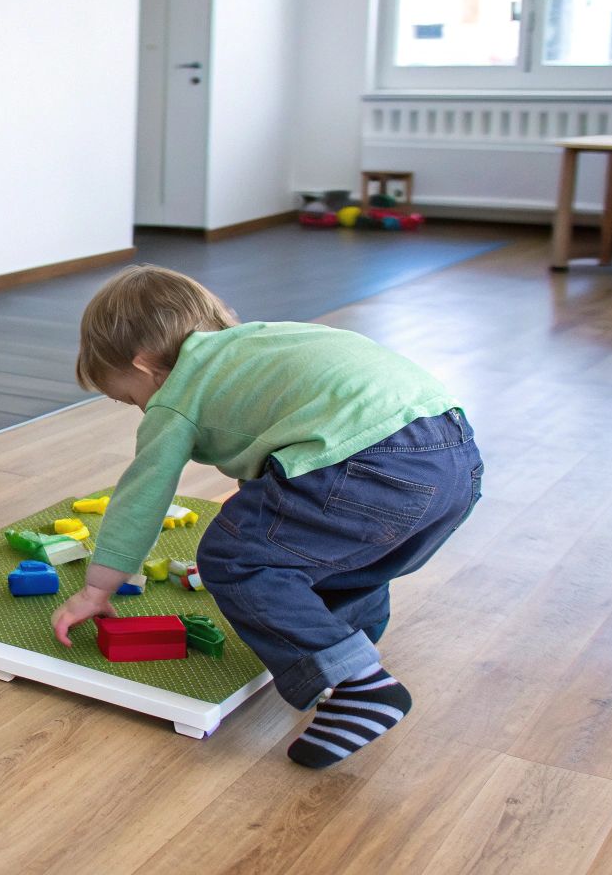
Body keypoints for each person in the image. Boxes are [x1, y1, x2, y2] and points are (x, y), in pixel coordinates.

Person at [50, 265, 482, 767]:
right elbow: (289, 440)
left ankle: (359, 686)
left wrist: (97, 588)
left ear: (145, 366)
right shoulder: (262, 345)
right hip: (453, 456)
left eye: (130, 398)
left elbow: (143, 494)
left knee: (235, 558)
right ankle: (350, 647)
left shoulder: (177, 395)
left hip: (371, 463)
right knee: (334, 552)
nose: (143, 410)